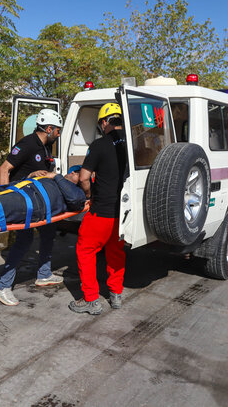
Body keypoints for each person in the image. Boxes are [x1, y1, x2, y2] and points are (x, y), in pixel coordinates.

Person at [0, 109, 64, 306]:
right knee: (25, 241)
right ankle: (2, 286)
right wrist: (5, 198)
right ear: (49, 129)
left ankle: (44, 274)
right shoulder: (28, 144)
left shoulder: (46, 147)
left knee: (49, 232)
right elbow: (4, 169)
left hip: (39, 202)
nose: (59, 134)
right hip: (24, 203)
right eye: (58, 130)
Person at [69, 103, 127, 315]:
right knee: (116, 251)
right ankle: (116, 294)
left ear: (104, 122)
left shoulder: (99, 145)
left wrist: (89, 195)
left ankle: (91, 299)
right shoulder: (132, 145)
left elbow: (84, 177)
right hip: (124, 212)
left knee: (85, 250)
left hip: (101, 211)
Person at [0, 167, 86, 226]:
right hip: (16, 189)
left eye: (77, 173)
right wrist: (31, 175)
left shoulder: (78, 192)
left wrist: (56, 176)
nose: (72, 172)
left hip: (29, 201)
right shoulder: (55, 180)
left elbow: (74, 200)